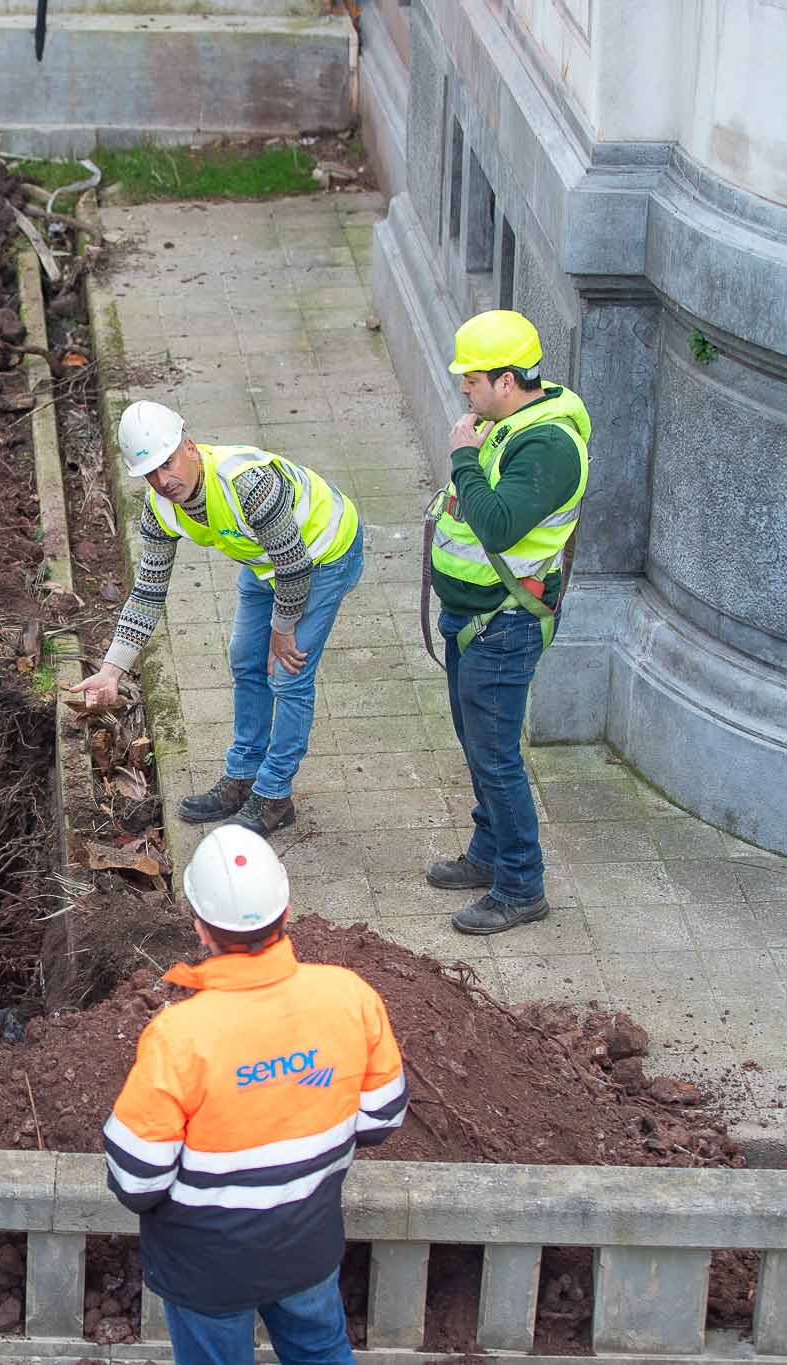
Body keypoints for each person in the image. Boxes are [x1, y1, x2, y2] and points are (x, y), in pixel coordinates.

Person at [103, 825, 404, 1365]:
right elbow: (382, 1117)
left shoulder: (180, 1035)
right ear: (286, 912)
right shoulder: (350, 997)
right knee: (320, 1351)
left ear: (199, 926)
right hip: (306, 1246)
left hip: (206, 1266)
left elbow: (137, 1178)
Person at [68, 401, 363, 836]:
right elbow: (148, 591)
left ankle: (274, 794)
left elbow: (295, 566)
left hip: (323, 554)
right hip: (267, 562)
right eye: (149, 472)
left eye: (167, 463)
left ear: (189, 447)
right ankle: (243, 776)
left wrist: (281, 633)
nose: (162, 480)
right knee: (245, 657)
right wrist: (112, 671)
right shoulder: (159, 509)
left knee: (287, 672)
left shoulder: (249, 485)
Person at [423, 309, 590, 936]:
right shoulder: (508, 422)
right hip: (475, 618)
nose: (463, 390)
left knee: (496, 759)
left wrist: (463, 459)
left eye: (472, 379)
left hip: (505, 623)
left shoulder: (545, 447)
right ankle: (489, 853)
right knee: (478, 745)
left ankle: (521, 887)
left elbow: (496, 524)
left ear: (508, 380)